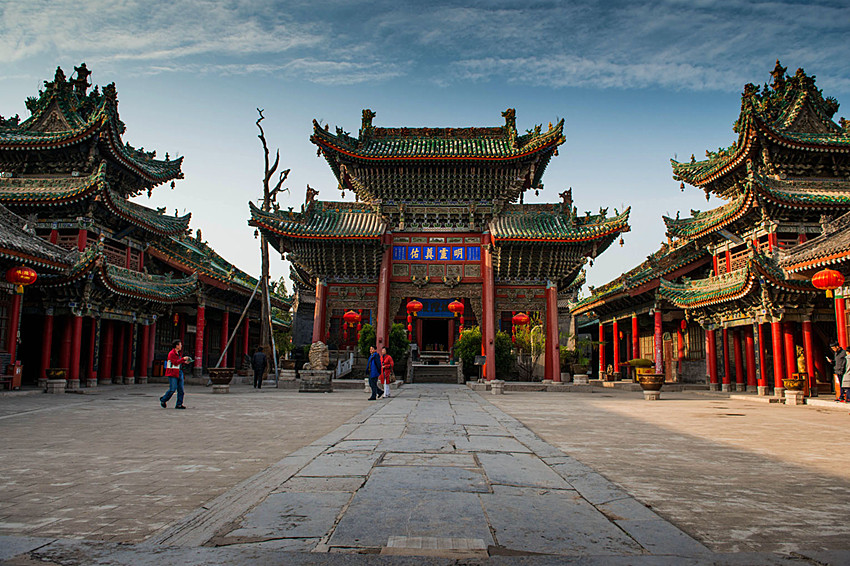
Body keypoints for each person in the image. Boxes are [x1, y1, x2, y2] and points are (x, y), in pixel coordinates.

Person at [160, 339, 190, 409]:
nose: (181, 346)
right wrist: (183, 359)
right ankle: (163, 399)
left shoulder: (178, 353)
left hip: (179, 372)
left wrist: (184, 362)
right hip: (173, 373)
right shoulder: (171, 353)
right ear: (177, 346)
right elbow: (175, 362)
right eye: (180, 344)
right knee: (172, 389)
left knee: (181, 390)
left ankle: (179, 404)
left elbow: (178, 362)